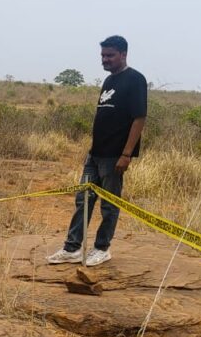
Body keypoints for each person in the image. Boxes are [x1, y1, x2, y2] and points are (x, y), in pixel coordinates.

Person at [47, 35, 147, 267]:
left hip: (115, 156)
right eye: (103, 55)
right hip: (95, 154)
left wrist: (126, 154)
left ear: (123, 54)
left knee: (109, 204)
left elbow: (139, 118)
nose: (105, 59)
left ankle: (102, 248)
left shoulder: (135, 79)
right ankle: (72, 248)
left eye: (110, 55)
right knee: (83, 199)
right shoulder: (109, 81)